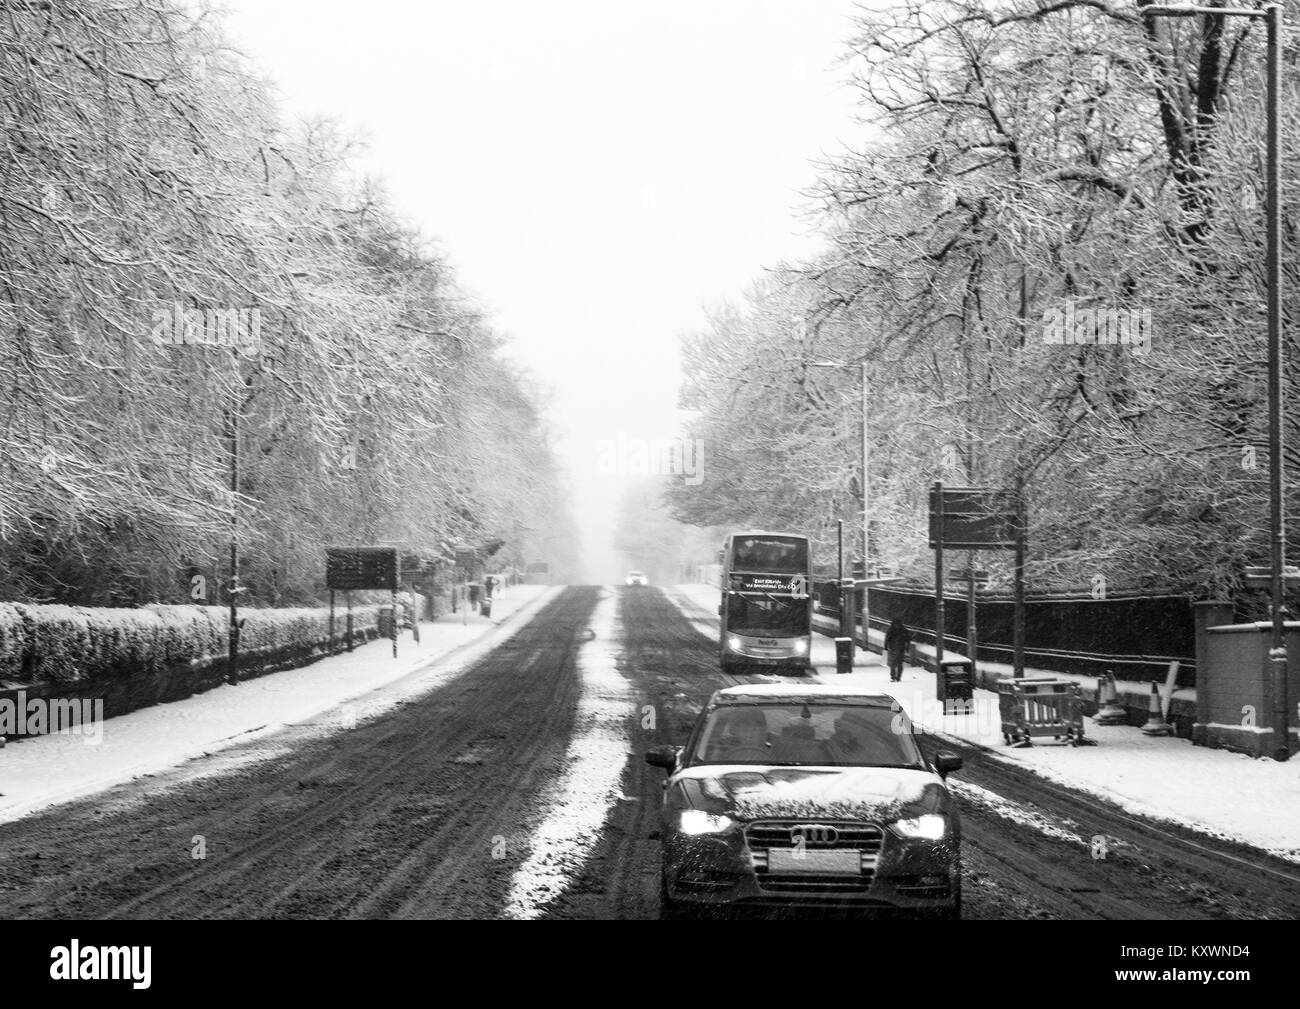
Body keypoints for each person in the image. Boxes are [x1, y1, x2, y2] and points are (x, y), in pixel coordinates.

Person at [884, 618, 912, 682]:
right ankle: (893, 676)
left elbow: (908, 640)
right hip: (893, 648)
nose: (897, 625)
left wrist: (907, 647)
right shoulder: (894, 630)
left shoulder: (901, 630)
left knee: (898, 663)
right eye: (896, 624)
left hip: (900, 648)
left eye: (898, 624)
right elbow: (887, 639)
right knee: (894, 663)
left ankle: (897, 677)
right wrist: (885, 646)